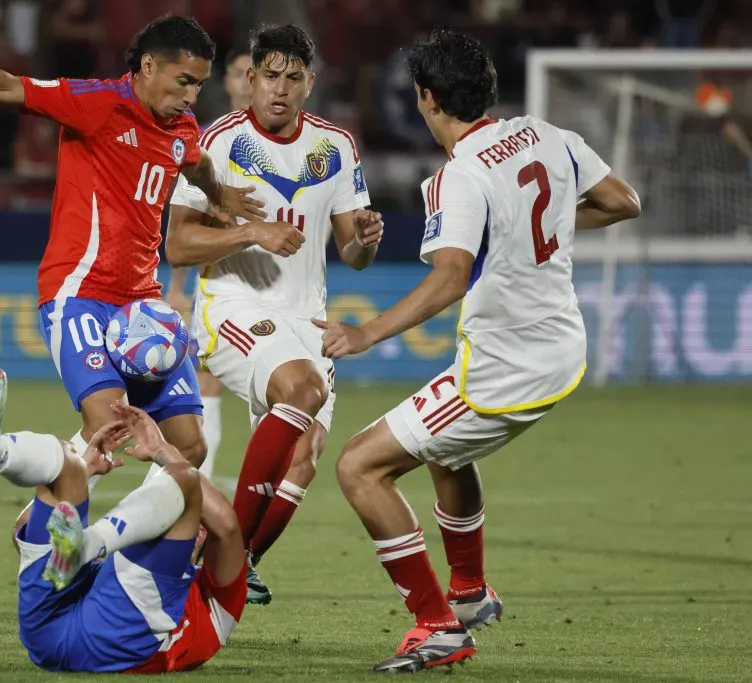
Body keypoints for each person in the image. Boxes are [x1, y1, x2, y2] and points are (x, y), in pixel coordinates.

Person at [313, 30, 641, 673]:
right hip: (560, 347)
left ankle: (436, 627)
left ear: (427, 99)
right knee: (443, 450)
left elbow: (448, 278)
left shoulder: (458, 177)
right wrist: (536, 231)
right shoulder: (548, 135)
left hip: (503, 370)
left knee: (358, 467)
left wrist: (363, 333)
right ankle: (466, 594)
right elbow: (624, 202)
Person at [0, 16, 265, 481]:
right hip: (80, 292)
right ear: (148, 65)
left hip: (143, 302)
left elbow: (196, 161)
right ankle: (4, 455)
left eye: (199, 85)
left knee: (189, 444)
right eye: (184, 80)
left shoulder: (182, 126)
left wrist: (218, 193)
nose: (191, 96)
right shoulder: (97, 104)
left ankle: (79, 525)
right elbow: (3, 85)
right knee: (108, 426)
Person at [166, 24, 383, 605]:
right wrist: (251, 231)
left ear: (309, 83)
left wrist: (366, 240)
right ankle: (224, 553)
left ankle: (232, 566)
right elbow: (178, 245)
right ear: (251, 79)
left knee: (305, 456)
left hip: (305, 319)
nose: (279, 90)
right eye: (269, 76)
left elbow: (353, 256)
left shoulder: (335, 146)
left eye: (293, 78)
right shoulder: (220, 141)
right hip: (234, 307)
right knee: (301, 389)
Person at [0, 367, 246, 673]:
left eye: (198, 528)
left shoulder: (219, 595)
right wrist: (85, 472)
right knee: (67, 462)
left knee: (185, 479)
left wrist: (163, 450)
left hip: (121, 644)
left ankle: (88, 542)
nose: (195, 529)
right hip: (46, 632)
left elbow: (226, 525)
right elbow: (22, 532)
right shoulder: (118, 566)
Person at [164, 46, 255, 482]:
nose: (245, 80)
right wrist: (178, 286)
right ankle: (200, 481)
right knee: (206, 383)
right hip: (217, 281)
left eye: (251, 73)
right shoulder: (209, 141)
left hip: (273, 284)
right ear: (229, 83)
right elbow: (187, 223)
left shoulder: (284, 140)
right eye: (238, 72)